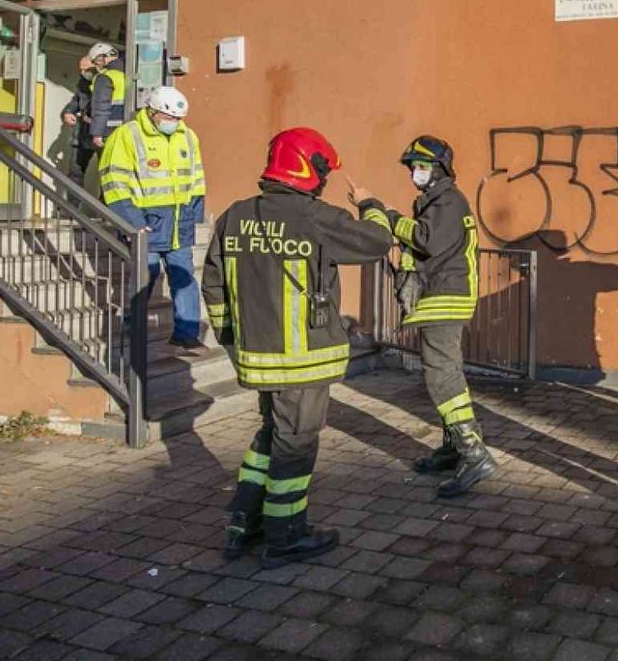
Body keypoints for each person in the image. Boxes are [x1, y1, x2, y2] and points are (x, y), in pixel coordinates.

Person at [203, 128, 396, 567]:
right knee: (296, 443)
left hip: (256, 356)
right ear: (310, 167)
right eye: (323, 169)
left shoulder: (235, 215)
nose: (326, 178)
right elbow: (377, 241)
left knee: (271, 432)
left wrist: (232, 340)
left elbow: (213, 286)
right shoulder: (314, 217)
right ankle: (285, 535)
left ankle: (243, 520)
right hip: (302, 360)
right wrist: (371, 205)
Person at [351, 136, 495, 498]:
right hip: (441, 296)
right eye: (413, 166)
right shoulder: (437, 201)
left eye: (422, 166)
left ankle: (472, 452)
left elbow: (426, 240)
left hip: (446, 297)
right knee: (446, 372)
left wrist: (385, 214)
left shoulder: (447, 201)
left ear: (440, 169)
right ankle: (453, 447)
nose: (415, 172)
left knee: (441, 375)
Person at [99, 86, 206, 350]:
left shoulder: (188, 137)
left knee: (184, 275)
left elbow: (196, 179)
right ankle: (132, 323)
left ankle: (186, 334)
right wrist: (131, 220)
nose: (174, 123)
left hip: (179, 219)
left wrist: (194, 214)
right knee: (145, 274)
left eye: (178, 119)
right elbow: (114, 180)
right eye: (169, 118)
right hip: (145, 220)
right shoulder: (127, 135)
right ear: (152, 111)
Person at [60, 42, 127, 184]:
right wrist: (68, 112)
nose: (84, 73)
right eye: (82, 71)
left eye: (87, 69)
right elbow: (77, 100)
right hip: (84, 133)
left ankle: (102, 205)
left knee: (107, 174)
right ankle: (71, 206)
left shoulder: (106, 79)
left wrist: (98, 133)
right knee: (75, 173)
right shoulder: (85, 82)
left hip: (103, 133)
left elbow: (102, 107)